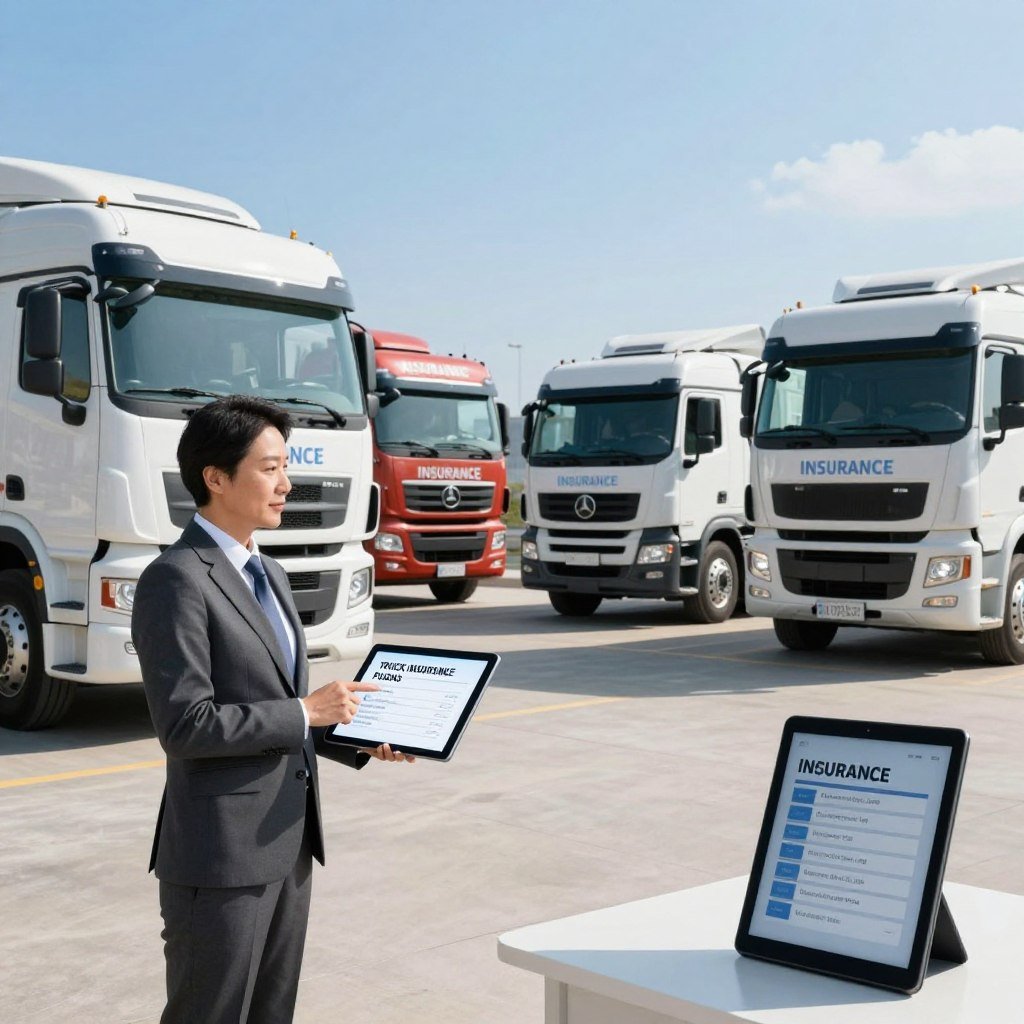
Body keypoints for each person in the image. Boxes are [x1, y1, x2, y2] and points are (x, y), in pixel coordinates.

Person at [132, 395, 414, 1024]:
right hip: (222, 855)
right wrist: (307, 712)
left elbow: (278, 703)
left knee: (271, 1013)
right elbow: (185, 725)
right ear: (215, 477)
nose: (287, 484)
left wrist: (356, 732)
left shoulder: (271, 574)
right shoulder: (176, 579)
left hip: (288, 843)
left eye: (286, 467)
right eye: (270, 469)